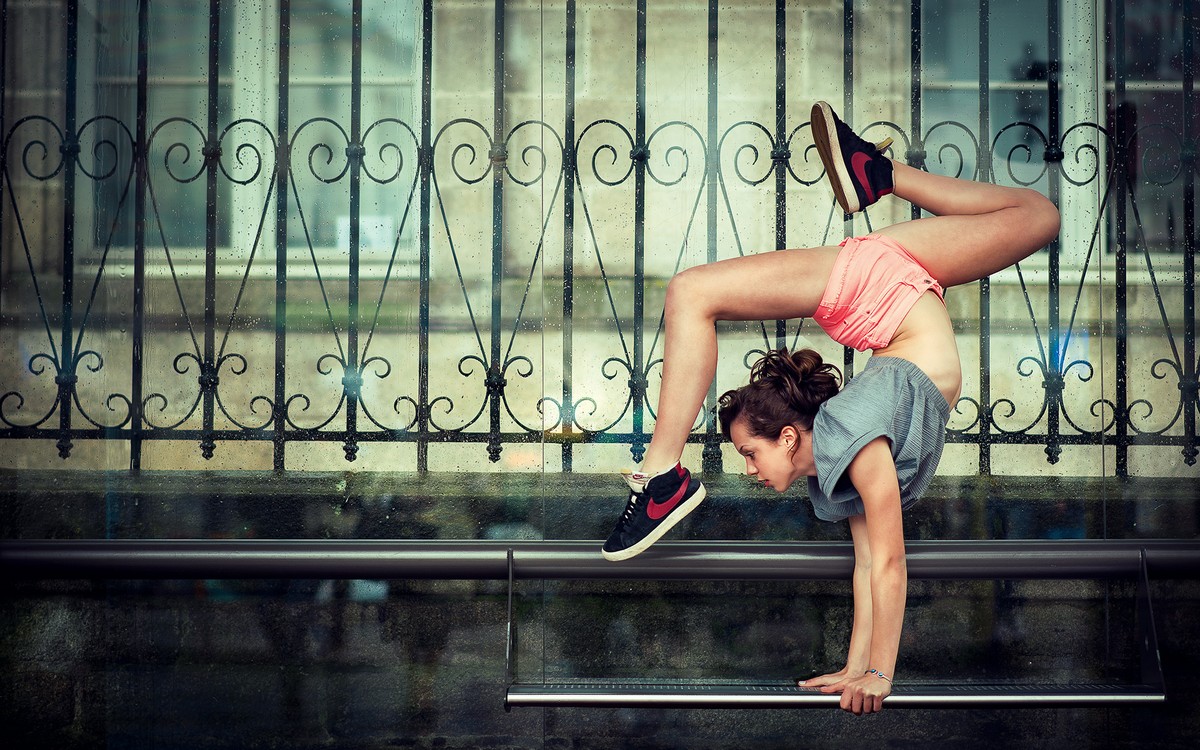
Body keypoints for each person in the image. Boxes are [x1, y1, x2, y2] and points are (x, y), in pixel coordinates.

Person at [598, 101, 1061, 714]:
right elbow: (868, 561)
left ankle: (660, 474)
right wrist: (857, 666)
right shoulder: (846, 452)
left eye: (749, 451)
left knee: (690, 291)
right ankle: (877, 174)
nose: (747, 467)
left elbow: (889, 562)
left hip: (876, 283)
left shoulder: (852, 431)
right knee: (1038, 214)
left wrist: (879, 673)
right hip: (901, 284)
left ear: (790, 436)